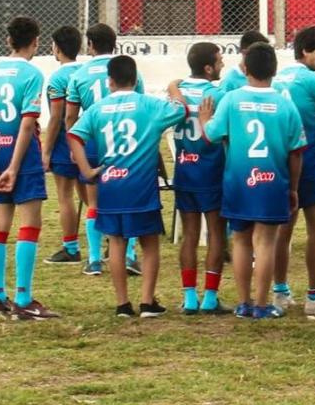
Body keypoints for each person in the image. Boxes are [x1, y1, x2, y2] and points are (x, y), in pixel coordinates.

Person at [69, 55, 188, 317]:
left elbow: (74, 136)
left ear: (109, 81)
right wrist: (174, 89)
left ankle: (123, 304)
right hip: (141, 186)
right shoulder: (149, 105)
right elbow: (181, 110)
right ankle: (147, 301)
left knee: (116, 242)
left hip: (111, 186)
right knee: (149, 243)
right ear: (135, 80)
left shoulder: (97, 109)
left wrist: (87, 171)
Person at [199, 42, 306, 319]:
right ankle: (262, 304)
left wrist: (205, 119)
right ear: (275, 69)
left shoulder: (232, 100)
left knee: (241, 240)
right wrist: (293, 187)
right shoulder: (285, 104)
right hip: (272, 181)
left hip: (238, 180)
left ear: (245, 68)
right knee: (266, 242)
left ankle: (244, 302)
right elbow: (296, 152)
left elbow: (211, 135)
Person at [0, 16, 58, 320]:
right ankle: (23, 299)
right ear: (36, 41)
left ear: (8, 40)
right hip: (21, 159)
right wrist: (13, 166)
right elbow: (27, 124)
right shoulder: (33, 75)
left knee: (0, 223)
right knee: (30, 224)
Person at [271, 26, 315, 315]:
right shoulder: (312, 79)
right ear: (305, 51)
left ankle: (279, 292)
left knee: (282, 229)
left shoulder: (277, 79)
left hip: (279, 160)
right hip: (310, 158)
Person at [66, 23, 142, 277]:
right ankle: (129, 255)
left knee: (94, 202)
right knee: (127, 199)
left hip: (93, 141)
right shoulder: (130, 71)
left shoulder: (79, 74)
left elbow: (70, 117)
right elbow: (138, 107)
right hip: (123, 142)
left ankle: (94, 259)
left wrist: (73, 147)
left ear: (90, 45)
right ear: (115, 43)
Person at [167, 43, 230, 315]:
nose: (223, 65)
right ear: (208, 67)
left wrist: (173, 86)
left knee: (190, 234)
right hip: (212, 171)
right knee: (216, 233)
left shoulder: (176, 94)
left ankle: (190, 296)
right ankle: (210, 297)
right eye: (219, 61)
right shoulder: (219, 94)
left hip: (184, 169)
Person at [42, 25, 87, 264]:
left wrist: (46, 150)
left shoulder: (58, 78)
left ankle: (71, 248)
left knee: (65, 196)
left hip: (65, 143)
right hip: (89, 140)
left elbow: (56, 116)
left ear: (56, 48)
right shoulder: (87, 71)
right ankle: (111, 241)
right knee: (90, 196)